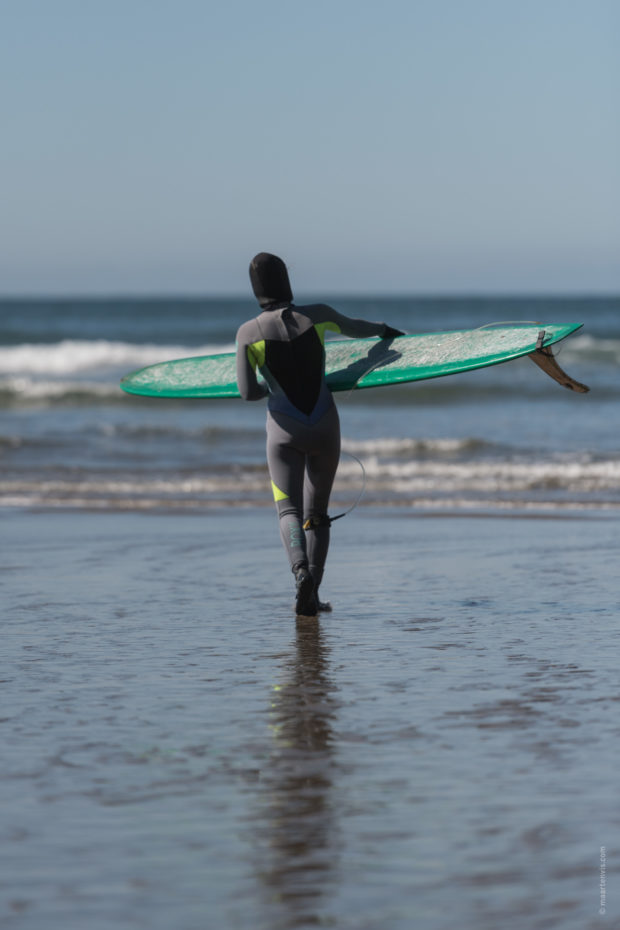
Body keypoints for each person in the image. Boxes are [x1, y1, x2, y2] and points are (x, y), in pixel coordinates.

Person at [236, 253, 404, 618]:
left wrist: (270, 387)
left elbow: (248, 393)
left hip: (284, 431)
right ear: (286, 282)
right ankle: (315, 591)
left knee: (289, 510)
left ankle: (300, 575)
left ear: (256, 291)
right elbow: (358, 327)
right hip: (325, 424)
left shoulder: (248, 334)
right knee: (319, 514)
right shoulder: (319, 314)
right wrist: (385, 330)